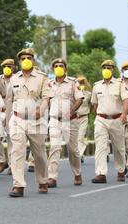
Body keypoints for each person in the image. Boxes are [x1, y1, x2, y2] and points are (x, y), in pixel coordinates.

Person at [6, 48, 51, 197]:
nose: (26, 60)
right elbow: (9, 99)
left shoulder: (42, 78)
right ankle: (18, 185)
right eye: (23, 58)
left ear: (33, 60)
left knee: (39, 154)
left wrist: (41, 110)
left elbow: (46, 98)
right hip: (17, 119)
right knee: (17, 152)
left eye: (29, 57)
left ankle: (43, 180)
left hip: (36, 121)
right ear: (19, 62)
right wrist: (6, 119)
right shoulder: (13, 78)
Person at [91, 60, 128, 184]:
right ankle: (101, 173)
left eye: (109, 67)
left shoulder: (120, 84)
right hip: (101, 119)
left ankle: (120, 170)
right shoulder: (96, 86)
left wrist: (124, 114)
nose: (107, 69)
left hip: (117, 118)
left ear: (113, 70)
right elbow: (94, 103)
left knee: (119, 147)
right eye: (104, 67)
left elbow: (126, 100)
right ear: (102, 70)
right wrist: (97, 115)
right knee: (100, 147)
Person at [46, 58, 84, 188]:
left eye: (61, 65)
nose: (58, 67)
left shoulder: (73, 82)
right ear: (53, 69)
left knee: (73, 150)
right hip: (55, 120)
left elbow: (80, 99)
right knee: (54, 147)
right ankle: (52, 177)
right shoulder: (49, 84)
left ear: (65, 68)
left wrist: (72, 110)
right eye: (56, 65)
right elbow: (46, 100)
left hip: (71, 121)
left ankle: (77, 173)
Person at [2, 59, 16, 175]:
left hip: (11, 114)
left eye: (10, 66)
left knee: (11, 141)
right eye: (5, 66)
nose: (7, 68)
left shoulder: (17, 79)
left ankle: (12, 165)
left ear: (14, 68)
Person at [76, 76, 93, 163]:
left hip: (84, 117)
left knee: (80, 137)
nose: (81, 84)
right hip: (74, 118)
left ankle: (79, 155)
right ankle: (79, 153)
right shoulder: (73, 93)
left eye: (82, 82)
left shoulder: (89, 94)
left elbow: (92, 105)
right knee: (75, 139)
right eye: (79, 82)